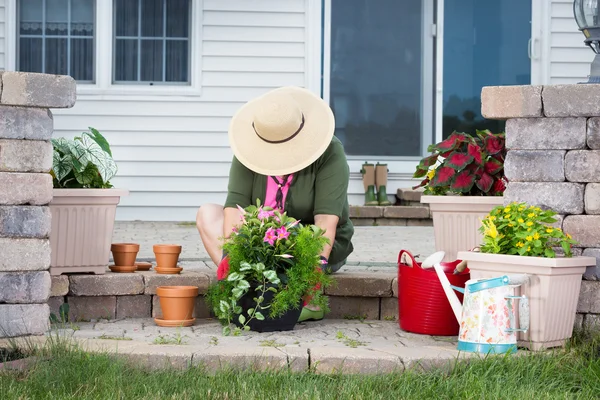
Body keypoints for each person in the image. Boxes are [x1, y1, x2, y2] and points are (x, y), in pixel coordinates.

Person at [196, 86, 354, 322]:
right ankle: (246, 286)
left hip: (307, 245)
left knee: (309, 235)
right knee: (207, 213)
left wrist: (313, 275)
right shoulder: (248, 151)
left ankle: (304, 302)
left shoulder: (330, 152)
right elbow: (234, 209)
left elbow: (325, 224)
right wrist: (233, 260)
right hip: (262, 247)